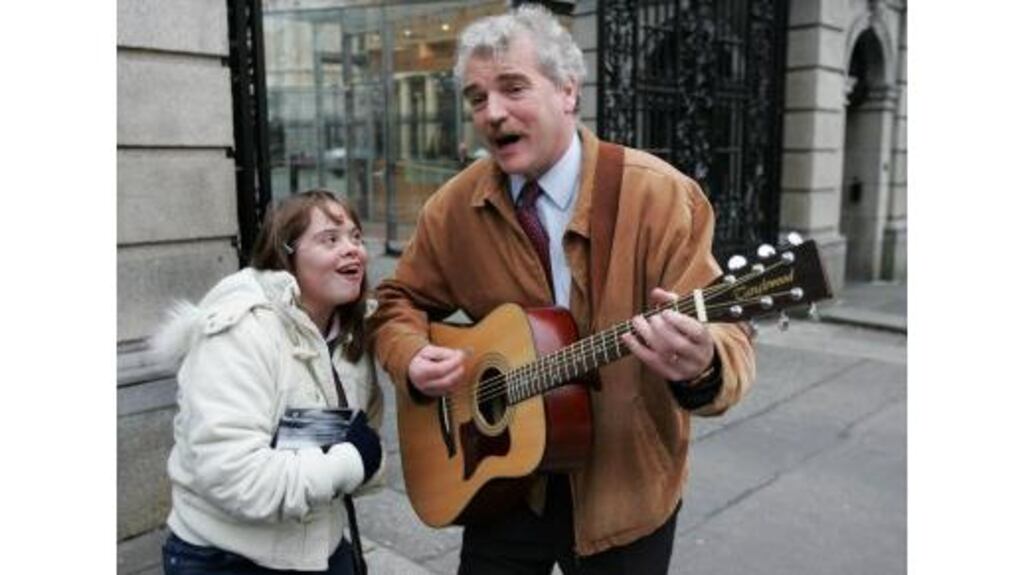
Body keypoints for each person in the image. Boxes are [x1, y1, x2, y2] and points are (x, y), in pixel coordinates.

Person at [369, 5, 755, 575]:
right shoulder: (453, 208)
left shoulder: (662, 198)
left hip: (623, 496)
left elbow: (732, 337)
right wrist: (410, 357)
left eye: (513, 88)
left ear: (568, 91)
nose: (492, 113)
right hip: (500, 486)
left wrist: (704, 364)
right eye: (477, 98)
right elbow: (394, 303)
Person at [152, 190, 385, 574]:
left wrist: (359, 456)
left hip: (321, 549)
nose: (353, 250)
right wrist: (351, 461)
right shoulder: (238, 331)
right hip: (225, 559)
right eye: (330, 239)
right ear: (285, 254)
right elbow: (235, 476)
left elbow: (359, 437)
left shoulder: (348, 333)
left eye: (356, 237)